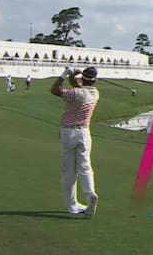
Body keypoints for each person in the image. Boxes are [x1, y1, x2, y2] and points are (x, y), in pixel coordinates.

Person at [50, 66, 100, 218]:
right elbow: (77, 86)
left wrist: (65, 74)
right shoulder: (94, 93)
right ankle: (90, 193)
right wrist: (74, 76)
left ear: (82, 79)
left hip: (68, 132)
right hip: (84, 133)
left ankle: (72, 206)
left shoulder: (76, 93)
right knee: (85, 166)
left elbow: (55, 90)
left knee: (69, 171)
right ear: (95, 80)